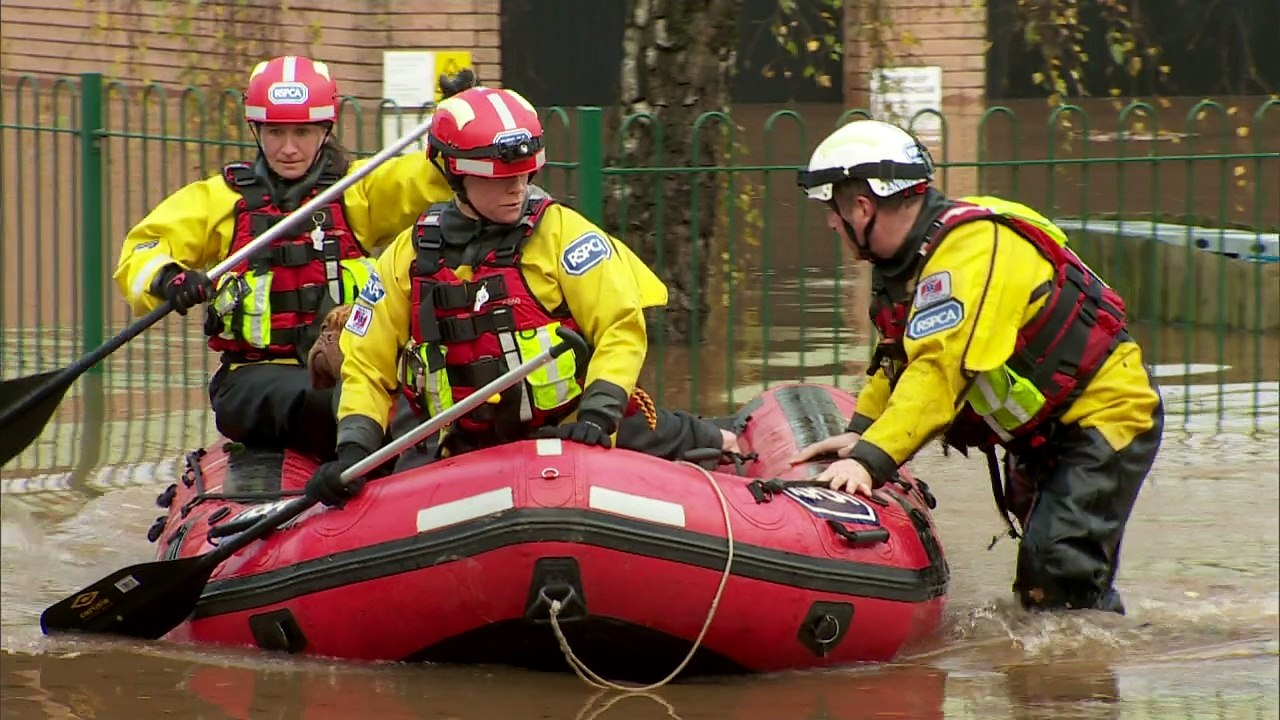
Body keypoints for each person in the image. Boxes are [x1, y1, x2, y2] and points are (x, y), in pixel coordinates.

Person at [789, 119, 1163, 614]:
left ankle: (1080, 679)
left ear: (862, 207)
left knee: (1056, 567)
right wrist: (862, 430)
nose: (830, 223)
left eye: (832, 209)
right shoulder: (911, 261)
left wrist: (870, 461)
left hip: (1107, 417)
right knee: (1048, 578)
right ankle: (1070, 659)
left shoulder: (969, 253)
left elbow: (939, 374)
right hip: (1042, 433)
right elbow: (898, 357)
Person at [305, 85, 736, 506]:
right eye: (499, 180)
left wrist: (597, 415)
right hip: (459, 440)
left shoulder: (563, 235)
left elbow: (619, 327)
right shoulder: (409, 254)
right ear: (456, 175)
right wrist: (355, 450)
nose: (516, 188)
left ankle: (725, 440)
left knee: (664, 433)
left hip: (567, 426)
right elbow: (367, 362)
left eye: (524, 175)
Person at [113, 56, 467, 460]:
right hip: (253, 379)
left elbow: (428, 179)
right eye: (275, 132)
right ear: (257, 130)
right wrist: (168, 279)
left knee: (407, 396)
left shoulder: (357, 190)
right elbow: (142, 250)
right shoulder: (220, 199)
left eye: (302, 132)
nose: (288, 148)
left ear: (325, 130)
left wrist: (455, 126)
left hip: (341, 361)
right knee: (329, 401)